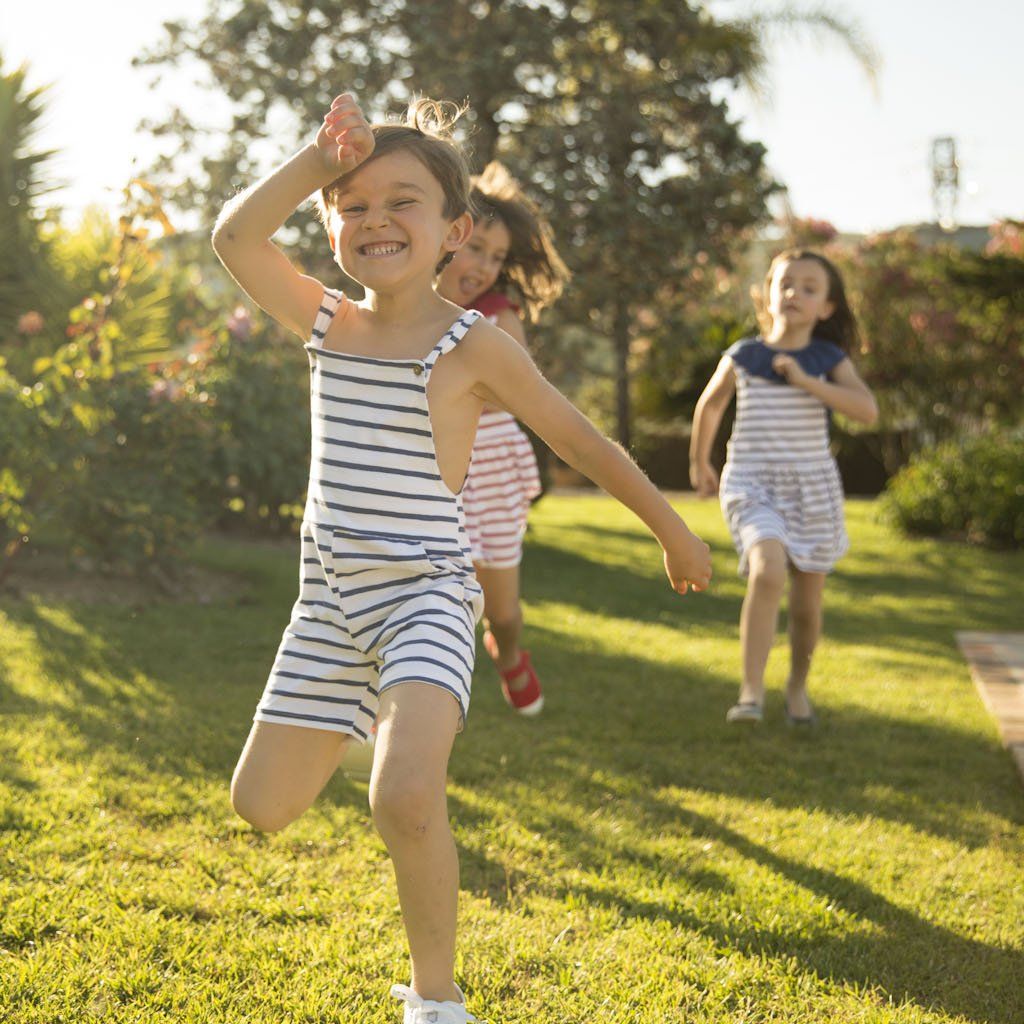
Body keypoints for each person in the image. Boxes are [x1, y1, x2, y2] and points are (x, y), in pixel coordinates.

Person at [212, 92, 712, 1024]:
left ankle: (436, 999)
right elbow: (237, 239)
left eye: (404, 201)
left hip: (429, 593)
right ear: (329, 226)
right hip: (328, 602)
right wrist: (320, 161)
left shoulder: (472, 343)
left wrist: (670, 527)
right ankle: (382, 705)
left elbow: (583, 439)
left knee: (402, 795)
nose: (377, 220)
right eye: (353, 206)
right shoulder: (326, 322)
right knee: (262, 807)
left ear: (456, 230)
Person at [690, 249, 877, 726]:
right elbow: (711, 406)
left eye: (809, 288)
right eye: (786, 284)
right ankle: (751, 692)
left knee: (808, 605)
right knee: (767, 569)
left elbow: (866, 411)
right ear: (767, 295)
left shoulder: (827, 359)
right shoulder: (745, 355)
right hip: (752, 482)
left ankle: (796, 687)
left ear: (827, 307)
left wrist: (806, 381)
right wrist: (699, 461)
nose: (795, 293)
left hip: (812, 489)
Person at [436, 161, 570, 715]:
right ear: (449, 236)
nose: (486, 267)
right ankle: (419, 694)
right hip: (434, 466)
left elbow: (512, 390)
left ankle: (509, 653)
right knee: (443, 598)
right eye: (478, 251)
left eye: (497, 258)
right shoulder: (403, 307)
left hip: (490, 463)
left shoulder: (495, 314)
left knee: (502, 611)